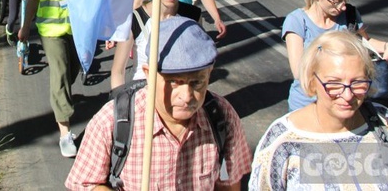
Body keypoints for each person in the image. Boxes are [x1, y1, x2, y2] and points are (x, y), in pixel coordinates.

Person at [66, 17, 252, 190]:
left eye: (197, 82)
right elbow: (83, 183)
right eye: (174, 82)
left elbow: (230, 183)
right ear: (148, 74)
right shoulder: (113, 121)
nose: (186, 96)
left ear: (209, 73)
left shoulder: (222, 116)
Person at [249, 31, 388, 190]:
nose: (348, 95)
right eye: (334, 84)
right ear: (312, 82)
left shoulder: (383, 121)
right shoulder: (282, 141)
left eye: (358, 82)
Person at [282, 0, 388, 112]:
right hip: (309, 106)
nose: (343, 7)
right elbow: (299, 73)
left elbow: (364, 42)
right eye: (337, 1)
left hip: (345, 104)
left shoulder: (349, 15)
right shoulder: (297, 21)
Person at [18, 0, 81, 158]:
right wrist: (26, 26)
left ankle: (58, 96)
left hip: (77, 29)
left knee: (72, 70)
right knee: (61, 73)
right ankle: (65, 134)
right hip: (51, 30)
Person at [110, 0, 194, 89]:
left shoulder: (192, 16)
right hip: (143, 92)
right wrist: (121, 103)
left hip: (179, 93)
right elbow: (118, 72)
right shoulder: (135, 19)